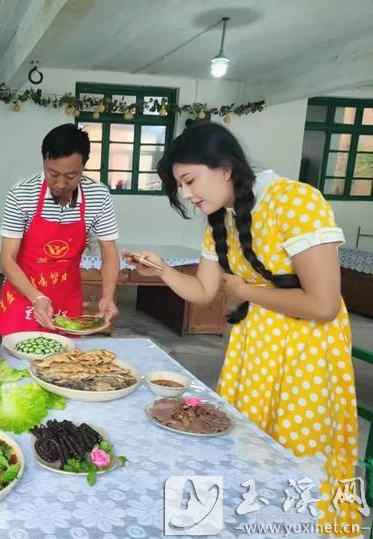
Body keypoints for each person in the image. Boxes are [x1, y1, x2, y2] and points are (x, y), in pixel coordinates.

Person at [126, 122, 358, 534]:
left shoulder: (297, 201)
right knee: (248, 449)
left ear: (226, 168)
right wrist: (161, 269)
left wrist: (247, 292)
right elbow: (203, 291)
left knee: (294, 452)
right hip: (255, 347)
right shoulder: (222, 219)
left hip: (305, 352)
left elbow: (322, 305)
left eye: (189, 180)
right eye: (180, 185)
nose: (187, 194)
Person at [0, 123, 120, 335]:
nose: (61, 184)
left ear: (84, 167)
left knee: (62, 363)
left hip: (66, 296)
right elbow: (7, 259)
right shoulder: (21, 194)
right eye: (53, 174)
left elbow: (109, 251)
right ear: (44, 161)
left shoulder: (99, 195)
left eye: (71, 176)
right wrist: (37, 297)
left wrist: (107, 295)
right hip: (23, 295)